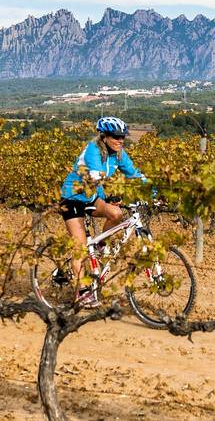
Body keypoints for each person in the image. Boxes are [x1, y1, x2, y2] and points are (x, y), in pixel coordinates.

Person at [59, 116, 145, 306]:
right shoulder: (92, 151)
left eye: (122, 137)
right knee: (80, 248)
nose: (120, 140)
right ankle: (82, 293)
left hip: (91, 197)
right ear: (104, 136)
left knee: (116, 213)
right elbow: (97, 175)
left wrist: (153, 189)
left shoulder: (119, 154)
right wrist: (113, 193)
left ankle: (99, 245)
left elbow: (135, 174)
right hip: (72, 197)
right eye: (115, 136)